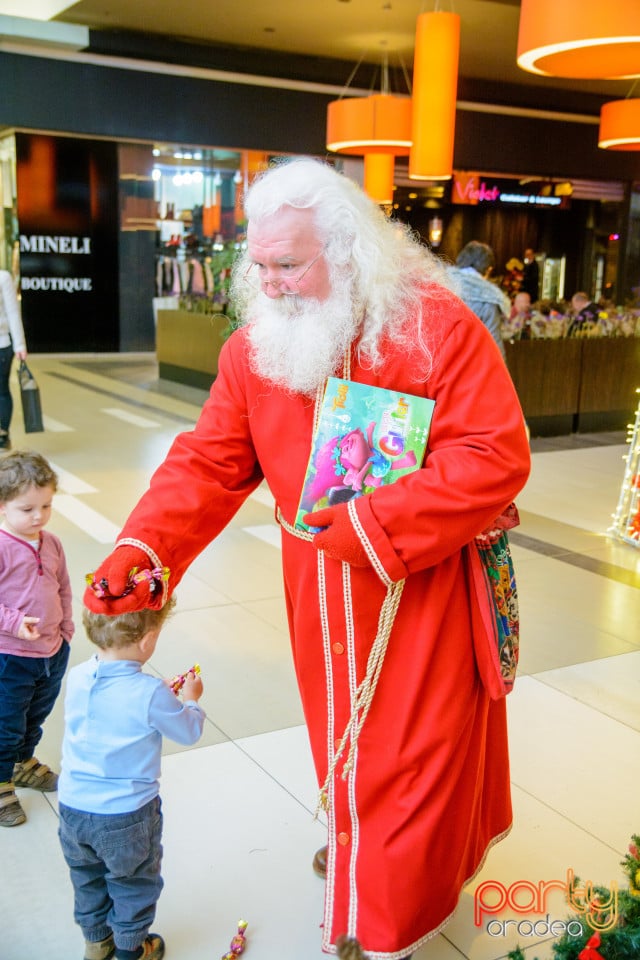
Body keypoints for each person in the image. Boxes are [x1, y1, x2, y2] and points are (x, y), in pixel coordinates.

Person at [83, 158, 530, 960]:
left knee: (409, 765)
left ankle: (380, 933)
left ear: (348, 251)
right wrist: (142, 546)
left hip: (418, 595)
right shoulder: (258, 346)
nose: (271, 282)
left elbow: (493, 455)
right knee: (346, 749)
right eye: (261, 264)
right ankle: (364, 854)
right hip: (316, 591)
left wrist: (373, 525)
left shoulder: (437, 327)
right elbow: (209, 460)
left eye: (289, 264)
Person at [58, 599, 205, 960]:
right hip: (125, 816)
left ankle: (97, 941)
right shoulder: (150, 692)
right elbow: (188, 732)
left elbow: (110, 714)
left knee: (87, 877)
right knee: (133, 883)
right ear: (147, 640)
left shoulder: (77, 675)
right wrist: (191, 701)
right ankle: (130, 949)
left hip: (73, 808)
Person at [0, 450, 74, 826]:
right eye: (27, 509)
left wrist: (66, 628)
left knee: (35, 715)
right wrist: (13, 623)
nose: (38, 517)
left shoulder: (51, 542)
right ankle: (0, 784)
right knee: (6, 721)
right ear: (3, 506)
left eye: (46, 506)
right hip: (10, 655)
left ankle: (22, 761)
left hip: (50, 650)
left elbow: (62, 586)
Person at [449, 240, 511, 358]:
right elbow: (494, 347)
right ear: (488, 269)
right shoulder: (488, 297)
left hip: (440, 365)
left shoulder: (440, 282)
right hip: (471, 362)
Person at [0, 269, 28, 449]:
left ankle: (2, 433)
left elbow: (12, 311)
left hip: (2, 344)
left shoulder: (3, 277)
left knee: (1, 390)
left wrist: (19, 345)